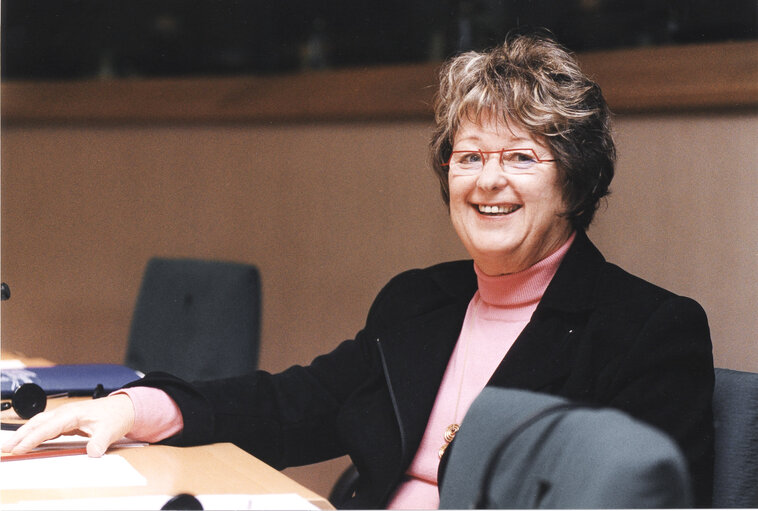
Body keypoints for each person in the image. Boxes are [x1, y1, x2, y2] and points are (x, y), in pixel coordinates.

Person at [2, 31, 714, 509]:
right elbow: (297, 403)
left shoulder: (648, 329)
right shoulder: (418, 301)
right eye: (469, 156)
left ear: (577, 180)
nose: (488, 180)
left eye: (522, 157)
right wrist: (136, 406)